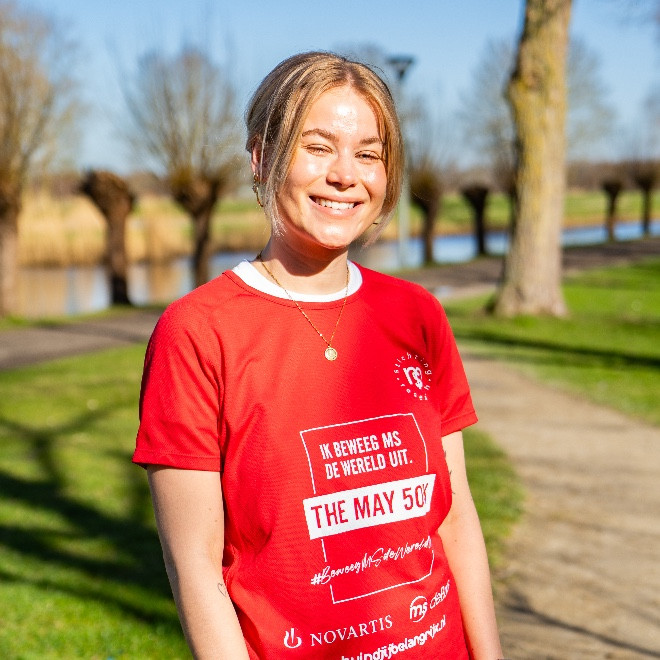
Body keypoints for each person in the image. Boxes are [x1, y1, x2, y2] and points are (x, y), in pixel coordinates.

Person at [134, 51, 503, 659]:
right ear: (261, 158)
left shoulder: (417, 315)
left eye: (368, 154)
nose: (345, 175)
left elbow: (455, 516)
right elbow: (195, 569)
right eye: (318, 147)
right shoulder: (197, 332)